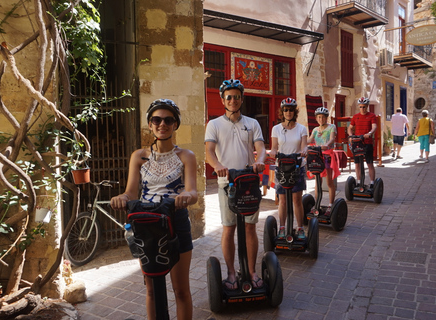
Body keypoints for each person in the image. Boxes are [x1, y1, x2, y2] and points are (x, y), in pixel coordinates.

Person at [111, 99, 197, 320]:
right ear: (150, 124)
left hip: (175, 221)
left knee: (181, 290)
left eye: (168, 120)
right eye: (156, 120)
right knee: (151, 287)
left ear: (175, 124)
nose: (162, 124)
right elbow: (131, 192)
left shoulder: (185, 156)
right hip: (147, 223)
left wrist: (186, 196)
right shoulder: (139, 156)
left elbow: (193, 191)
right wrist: (121, 197)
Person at [205, 79, 266, 291]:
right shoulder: (214, 124)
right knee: (229, 228)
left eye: (236, 97)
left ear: (242, 99)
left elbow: (261, 147)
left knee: (250, 228)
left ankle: (251, 270)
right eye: (229, 97)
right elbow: (209, 152)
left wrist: (259, 161)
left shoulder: (252, 123)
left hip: (249, 181)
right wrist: (218, 166)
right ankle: (231, 272)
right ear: (223, 99)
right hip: (226, 184)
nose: (233, 100)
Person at [269, 98, 308, 240]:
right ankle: (282, 227)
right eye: (285, 109)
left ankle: (300, 228)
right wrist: (273, 152)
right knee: (283, 199)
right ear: (282, 111)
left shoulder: (301, 129)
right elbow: (274, 147)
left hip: (297, 166)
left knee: (297, 199)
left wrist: (304, 151)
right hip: (282, 167)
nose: (288, 112)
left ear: (295, 112)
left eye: (291, 109)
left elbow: (304, 145)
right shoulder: (276, 129)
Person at [307, 107, 337, 215]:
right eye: (319, 117)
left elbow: (332, 139)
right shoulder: (315, 130)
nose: (321, 119)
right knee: (317, 181)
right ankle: (317, 204)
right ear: (316, 118)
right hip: (317, 156)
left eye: (323, 117)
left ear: (326, 118)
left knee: (329, 181)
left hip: (327, 156)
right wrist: (301, 141)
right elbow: (310, 140)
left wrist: (326, 145)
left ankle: (330, 205)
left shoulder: (331, 127)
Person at [347, 97, 377, 188]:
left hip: (367, 142)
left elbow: (374, 127)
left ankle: (372, 182)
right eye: (360, 107)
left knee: (369, 163)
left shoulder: (372, 116)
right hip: (357, 142)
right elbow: (350, 128)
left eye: (364, 107)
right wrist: (351, 136)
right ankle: (359, 182)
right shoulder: (356, 117)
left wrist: (369, 133)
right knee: (357, 164)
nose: (362, 109)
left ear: (367, 106)